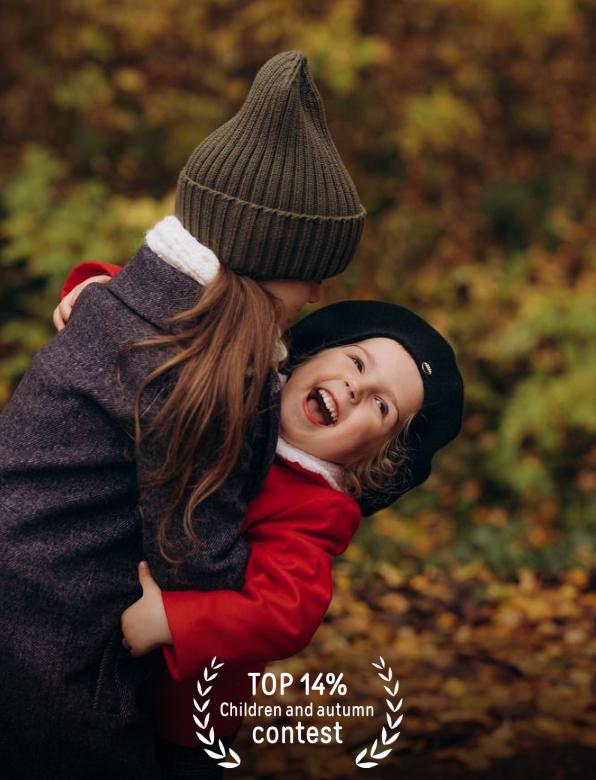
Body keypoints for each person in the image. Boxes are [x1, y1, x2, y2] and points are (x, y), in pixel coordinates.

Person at [0, 51, 365, 780]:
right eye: (312, 272)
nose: (319, 293)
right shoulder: (208, 376)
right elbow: (192, 553)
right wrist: (274, 568)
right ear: (265, 259)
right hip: (61, 647)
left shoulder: (123, 307)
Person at [59, 269, 464, 779]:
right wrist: (94, 290)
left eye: (382, 405)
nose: (356, 386)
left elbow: (285, 612)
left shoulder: (316, 509)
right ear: (308, 355)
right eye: (357, 362)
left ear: (373, 460)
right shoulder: (237, 377)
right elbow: (171, 314)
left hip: (183, 712)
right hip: (91, 631)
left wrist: (174, 621)